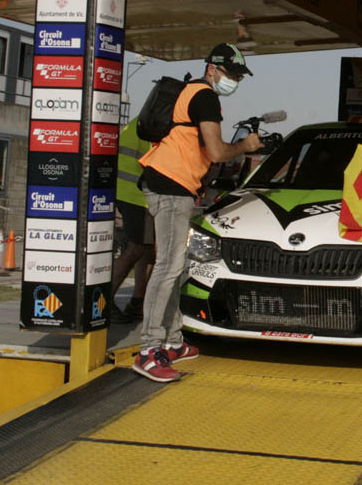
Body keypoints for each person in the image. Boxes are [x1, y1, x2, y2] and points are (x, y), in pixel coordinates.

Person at [133, 43, 261, 382]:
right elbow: (217, 152)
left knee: (174, 266)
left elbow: (200, 148)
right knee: (168, 266)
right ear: (212, 68)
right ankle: (148, 351)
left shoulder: (192, 91)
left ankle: (173, 340)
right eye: (232, 74)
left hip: (174, 184)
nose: (235, 81)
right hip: (171, 186)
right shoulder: (204, 96)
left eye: (239, 77)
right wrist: (246, 146)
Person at [110, 117, 155, 324]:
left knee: (147, 250)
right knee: (136, 248)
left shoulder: (143, 120)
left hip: (129, 190)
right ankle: (103, 300)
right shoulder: (156, 123)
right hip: (136, 194)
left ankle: (138, 303)